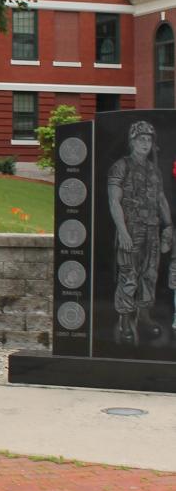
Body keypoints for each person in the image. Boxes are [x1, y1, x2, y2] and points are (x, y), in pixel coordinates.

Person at [106, 118, 173, 344]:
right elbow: (114, 201)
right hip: (131, 230)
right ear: (132, 141)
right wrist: (122, 231)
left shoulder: (154, 170)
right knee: (129, 275)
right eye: (141, 139)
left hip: (152, 230)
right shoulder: (121, 166)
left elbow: (161, 198)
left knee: (149, 275)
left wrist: (169, 225)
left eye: (148, 139)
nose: (145, 143)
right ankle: (125, 320)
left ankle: (144, 316)